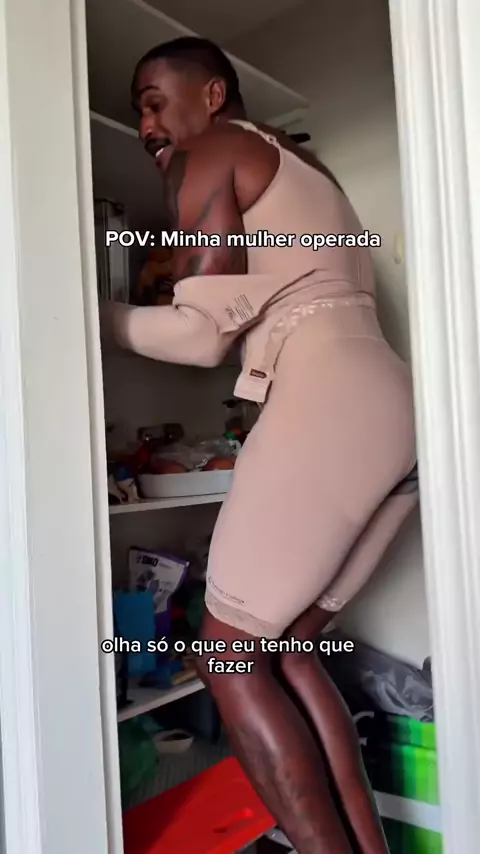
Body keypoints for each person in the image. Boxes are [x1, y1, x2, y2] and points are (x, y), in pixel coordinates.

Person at [103, 36, 418, 854]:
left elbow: (200, 336)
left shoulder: (212, 149)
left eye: (154, 101)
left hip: (331, 399)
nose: (147, 125)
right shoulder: (301, 166)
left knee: (230, 655)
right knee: (289, 653)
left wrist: (83, 313)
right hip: (391, 404)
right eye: (137, 111)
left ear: (212, 95)